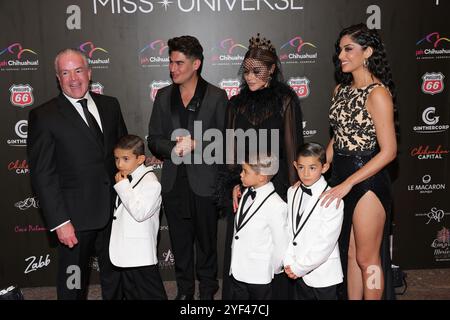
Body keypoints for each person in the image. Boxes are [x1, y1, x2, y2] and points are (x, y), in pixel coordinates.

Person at [27, 48, 128, 299]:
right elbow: (43, 175)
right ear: (58, 78)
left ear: (89, 73)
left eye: (78, 70)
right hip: (74, 219)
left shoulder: (110, 105)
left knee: (115, 278)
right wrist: (61, 223)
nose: (73, 78)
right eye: (65, 72)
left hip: (115, 212)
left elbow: (124, 155)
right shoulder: (44, 116)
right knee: (73, 285)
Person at [220, 33, 303, 299]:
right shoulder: (235, 104)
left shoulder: (286, 101)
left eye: (257, 71)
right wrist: (235, 183)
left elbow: (292, 151)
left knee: (273, 251)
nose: (250, 76)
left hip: (277, 188)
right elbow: (230, 153)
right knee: (244, 250)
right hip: (245, 187)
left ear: (272, 70)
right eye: (246, 71)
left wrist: (291, 196)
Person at [147, 35, 228, 300]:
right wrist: (172, 148)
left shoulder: (217, 96)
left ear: (196, 64)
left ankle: (207, 291)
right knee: (180, 244)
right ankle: (183, 292)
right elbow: (154, 138)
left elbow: (226, 140)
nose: (173, 68)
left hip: (205, 183)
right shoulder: (163, 96)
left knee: (206, 245)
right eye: (171, 62)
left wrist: (198, 143)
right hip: (173, 184)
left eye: (179, 63)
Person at [321, 23, 397, 300]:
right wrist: (322, 167)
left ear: (368, 52)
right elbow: (339, 137)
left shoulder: (378, 94)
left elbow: (389, 151)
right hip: (341, 178)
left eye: (348, 49)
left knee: (368, 259)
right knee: (351, 255)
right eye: (340, 49)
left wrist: (348, 183)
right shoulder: (339, 90)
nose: (341, 55)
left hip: (368, 183)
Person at [109, 134, 167, 300]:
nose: (120, 164)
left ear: (140, 159)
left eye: (126, 159)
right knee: (132, 295)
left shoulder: (151, 183)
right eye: (117, 159)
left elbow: (139, 213)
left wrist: (122, 186)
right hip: (126, 252)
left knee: (152, 295)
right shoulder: (126, 178)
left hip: (141, 255)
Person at [284, 143, 344, 300]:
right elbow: (291, 231)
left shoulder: (332, 199)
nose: (305, 173)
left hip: (323, 274)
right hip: (297, 270)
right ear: (295, 165)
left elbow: (326, 241)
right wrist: (289, 261)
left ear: (324, 168)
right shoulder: (292, 191)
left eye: (312, 168)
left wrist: (300, 267)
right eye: (301, 167)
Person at [229, 154, 288, 300]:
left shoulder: (276, 205)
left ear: (261, 177)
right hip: (238, 269)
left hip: (259, 275)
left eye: (245, 171)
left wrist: (270, 268)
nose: (241, 175)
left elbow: (280, 243)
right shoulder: (246, 193)